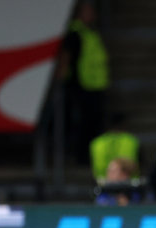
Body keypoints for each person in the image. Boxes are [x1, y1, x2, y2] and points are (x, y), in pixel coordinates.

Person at [58, 0, 109, 165]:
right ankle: (80, 158)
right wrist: (62, 77)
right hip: (80, 86)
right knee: (82, 125)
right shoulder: (75, 32)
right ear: (80, 13)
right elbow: (65, 57)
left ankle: (89, 157)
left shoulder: (90, 32)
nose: (94, 15)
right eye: (89, 11)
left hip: (95, 86)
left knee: (93, 124)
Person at [90, 113, 140, 184]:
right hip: (129, 184)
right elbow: (138, 165)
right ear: (123, 124)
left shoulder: (97, 143)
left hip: (103, 184)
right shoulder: (131, 141)